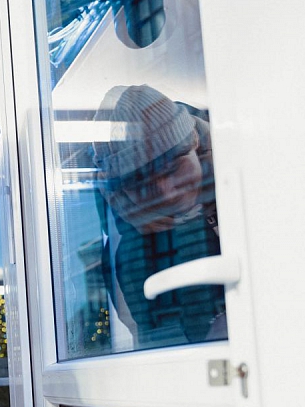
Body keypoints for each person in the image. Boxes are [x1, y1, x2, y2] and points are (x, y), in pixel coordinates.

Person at [90, 84, 226, 348]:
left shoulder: (247, 188)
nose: (165, 192)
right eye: (142, 182)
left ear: (195, 141)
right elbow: (149, 337)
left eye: (174, 167)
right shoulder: (125, 258)